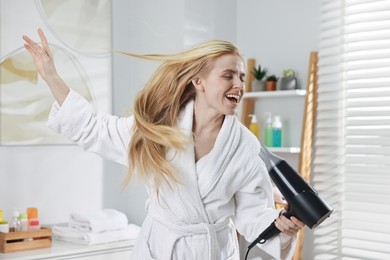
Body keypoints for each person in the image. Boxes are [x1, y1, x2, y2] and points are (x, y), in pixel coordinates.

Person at [23, 29, 304, 260]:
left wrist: (281, 226)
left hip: (213, 252)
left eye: (242, 77)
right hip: (157, 249)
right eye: (228, 75)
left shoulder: (245, 145)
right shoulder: (158, 128)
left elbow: (252, 214)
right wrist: (51, 76)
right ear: (199, 82)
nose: (239, 85)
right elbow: (94, 128)